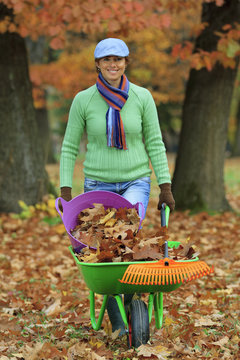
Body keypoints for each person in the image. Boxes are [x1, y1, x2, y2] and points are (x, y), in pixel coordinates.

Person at [59, 38, 175, 335]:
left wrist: (165, 185)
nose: (113, 64)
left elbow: (155, 142)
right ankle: (120, 322)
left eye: (119, 59)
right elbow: (70, 146)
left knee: (127, 237)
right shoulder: (83, 100)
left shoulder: (142, 97)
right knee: (103, 250)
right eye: (107, 59)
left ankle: (131, 299)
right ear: (97, 64)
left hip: (136, 179)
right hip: (97, 184)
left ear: (126, 62)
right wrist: (65, 190)